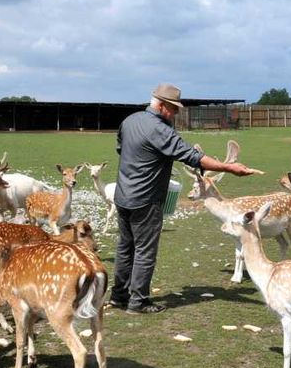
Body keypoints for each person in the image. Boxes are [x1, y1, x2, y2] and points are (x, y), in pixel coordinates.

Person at [110, 83, 260, 314]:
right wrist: (228, 168)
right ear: (161, 105)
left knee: (125, 246)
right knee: (144, 250)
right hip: (146, 199)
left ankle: (119, 296)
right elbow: (192, 157)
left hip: (123, 195)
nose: (176, 113)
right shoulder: (160, 129)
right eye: (173, 108)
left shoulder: (129, 121)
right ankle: (138, 301)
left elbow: (122, 149)